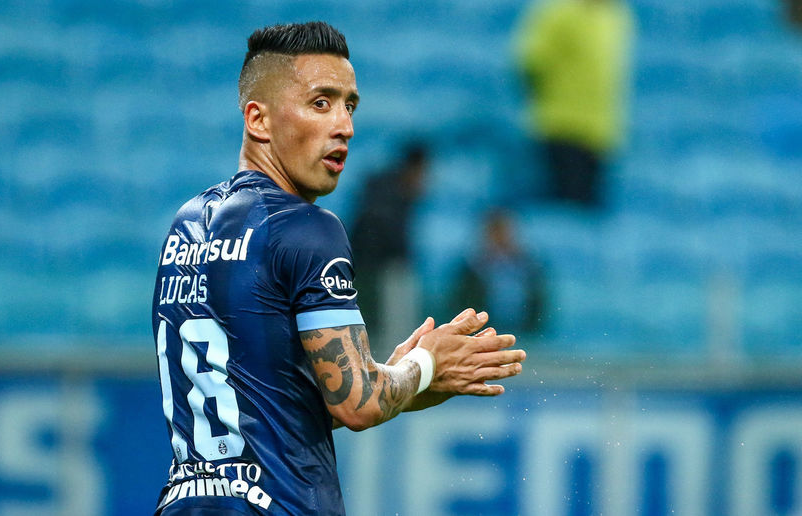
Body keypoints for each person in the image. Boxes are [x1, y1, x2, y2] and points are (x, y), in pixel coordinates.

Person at [150, 22, 526, 515]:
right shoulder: (307, 229)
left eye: (350, 105)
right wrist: (426, 363)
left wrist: (403, 378)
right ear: (258, 119)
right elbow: (357, 404)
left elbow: (265, 406)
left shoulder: (185, 226)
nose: (344, 126)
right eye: (321, 103)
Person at [515, 0, 634, 207]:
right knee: (561, 208)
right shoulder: (559, 11)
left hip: (600, 136)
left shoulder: (618, 16)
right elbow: (530, 63)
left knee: (587, 209)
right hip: (559, 128)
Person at [349, 142, 428, 357]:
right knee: (389, 335)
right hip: (378, 272)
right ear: (416, 168)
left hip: (370, 269)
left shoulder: (389, 189)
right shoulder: (389, 195)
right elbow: (381, 239)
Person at [451, 211, 545, 337]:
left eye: (505, 231)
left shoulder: (531, 268)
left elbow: (540, 307)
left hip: (526, 336)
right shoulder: (468, 271)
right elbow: (459, 307)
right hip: (480, 337)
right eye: (495, 232)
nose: (500, 237)